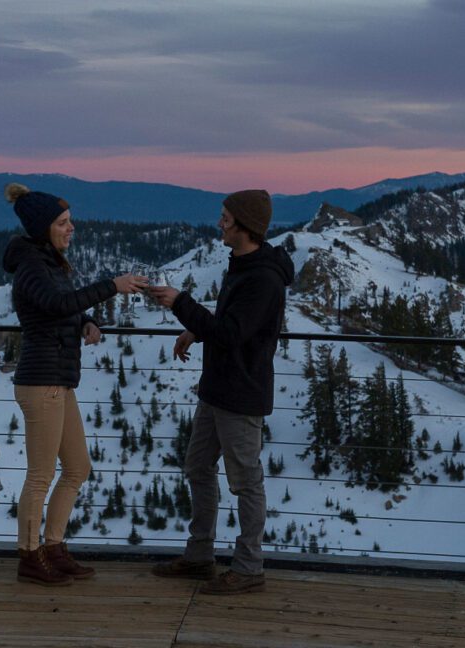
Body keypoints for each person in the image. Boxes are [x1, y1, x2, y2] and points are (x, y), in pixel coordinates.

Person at [2, 182, 147, 586]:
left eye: (70, 221)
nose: (72, 228)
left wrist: (86, 322)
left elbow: (57, 310)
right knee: (40, 476)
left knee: (78, 467)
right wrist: (111, 286)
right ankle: (29, 557)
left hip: (59, 381)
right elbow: (53, 305)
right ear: (43, 228)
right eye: (63, 223)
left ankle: (53, 546)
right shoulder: (33, 264)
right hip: (41, 382)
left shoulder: (49, 262)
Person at [149, 189, 293, 595]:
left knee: (246, 482)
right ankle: (199, 557)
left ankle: (249, 567)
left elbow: (231, 335)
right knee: (198, 466)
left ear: (244, 226)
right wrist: (196, 328)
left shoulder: (263, 278)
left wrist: (182, 303)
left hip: (241, 392)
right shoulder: (244, 265)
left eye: (226, 218)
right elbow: (232, 323)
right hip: (218, 388)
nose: (219, 223)